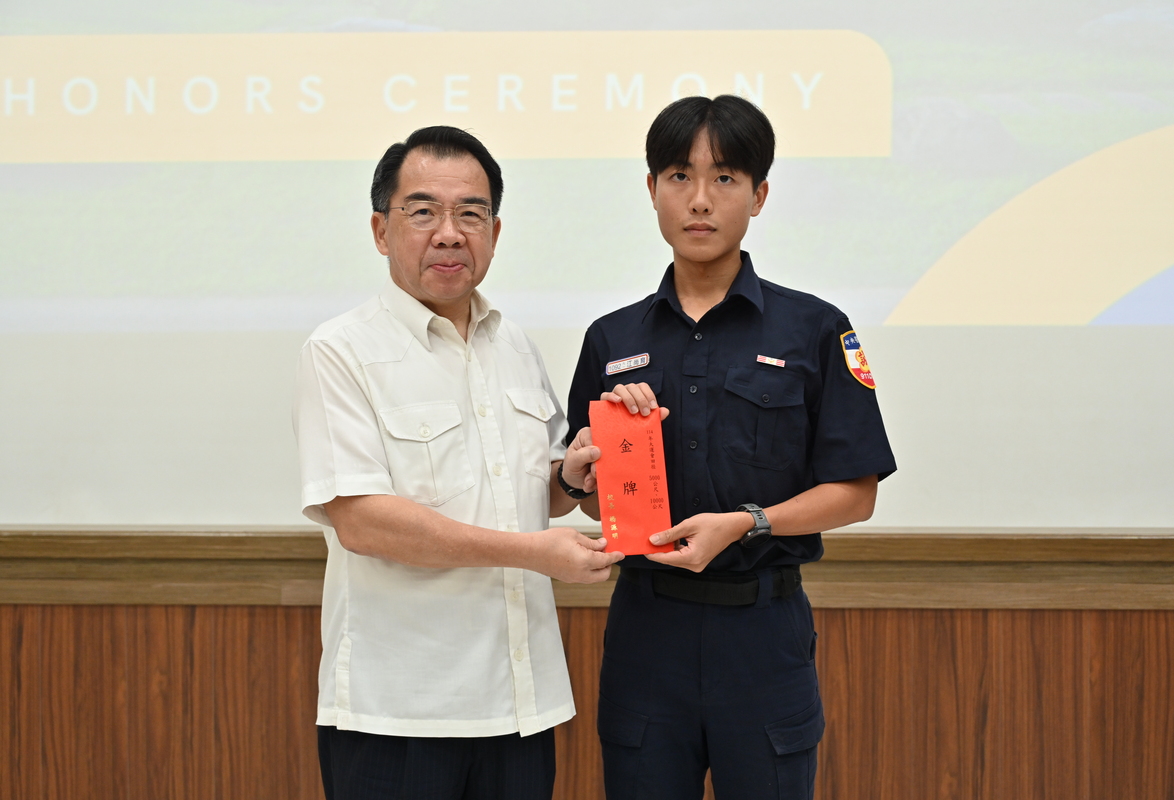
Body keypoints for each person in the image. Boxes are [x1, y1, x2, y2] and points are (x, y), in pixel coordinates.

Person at [560, 96, 897, 799]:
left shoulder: (815, 329)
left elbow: (856, 493)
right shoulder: (611, 339)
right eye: (680, 176)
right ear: (652, 189)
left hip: (763, 632)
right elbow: (589, 496)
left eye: (725, 178)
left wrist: (747, 522)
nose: (700, 200)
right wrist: (584, 472)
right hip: (647, 628)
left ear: (759, 195)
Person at [292, 125, 622, 800]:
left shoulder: (514, 344)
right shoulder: (340, 351)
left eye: (470, 214)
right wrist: (533, 552)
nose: (449, 234)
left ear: (494, 233)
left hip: (521, 705)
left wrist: (570, 477)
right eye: (423, 212)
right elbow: (362, 522)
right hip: (399, 713)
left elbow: (536, 487)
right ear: (381, 230)